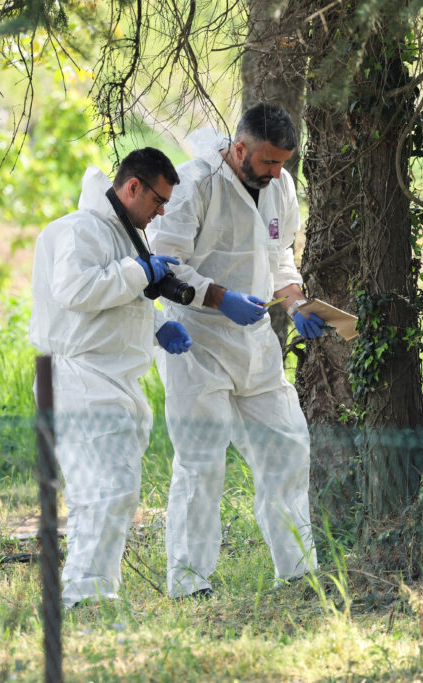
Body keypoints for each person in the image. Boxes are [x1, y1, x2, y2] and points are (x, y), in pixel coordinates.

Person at [147, 103, 324, 598]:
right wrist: (221, 298)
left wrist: (296, 301)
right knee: (202, 462)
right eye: (268, 162)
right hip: (197, 340)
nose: (276, 172)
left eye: (284, 162)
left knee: (287, 449)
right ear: (239, 149)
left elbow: (279, 253)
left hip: (256, 343)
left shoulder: (280, 185)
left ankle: (298, 571)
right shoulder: (194, 185)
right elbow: (165, 266)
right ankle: (188, 580)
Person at [29, 148, 193, 608]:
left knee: (115, 493)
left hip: (108, 380)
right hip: (78, 379)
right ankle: (84, 596)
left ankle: (93, 592)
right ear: (132, 186)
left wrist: (158, 325)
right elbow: (77, 290)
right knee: (104, 492)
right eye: (158, 200)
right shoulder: (82, 229)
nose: (161, 211)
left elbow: (115, 300)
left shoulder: (122, 233)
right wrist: (139, 271)